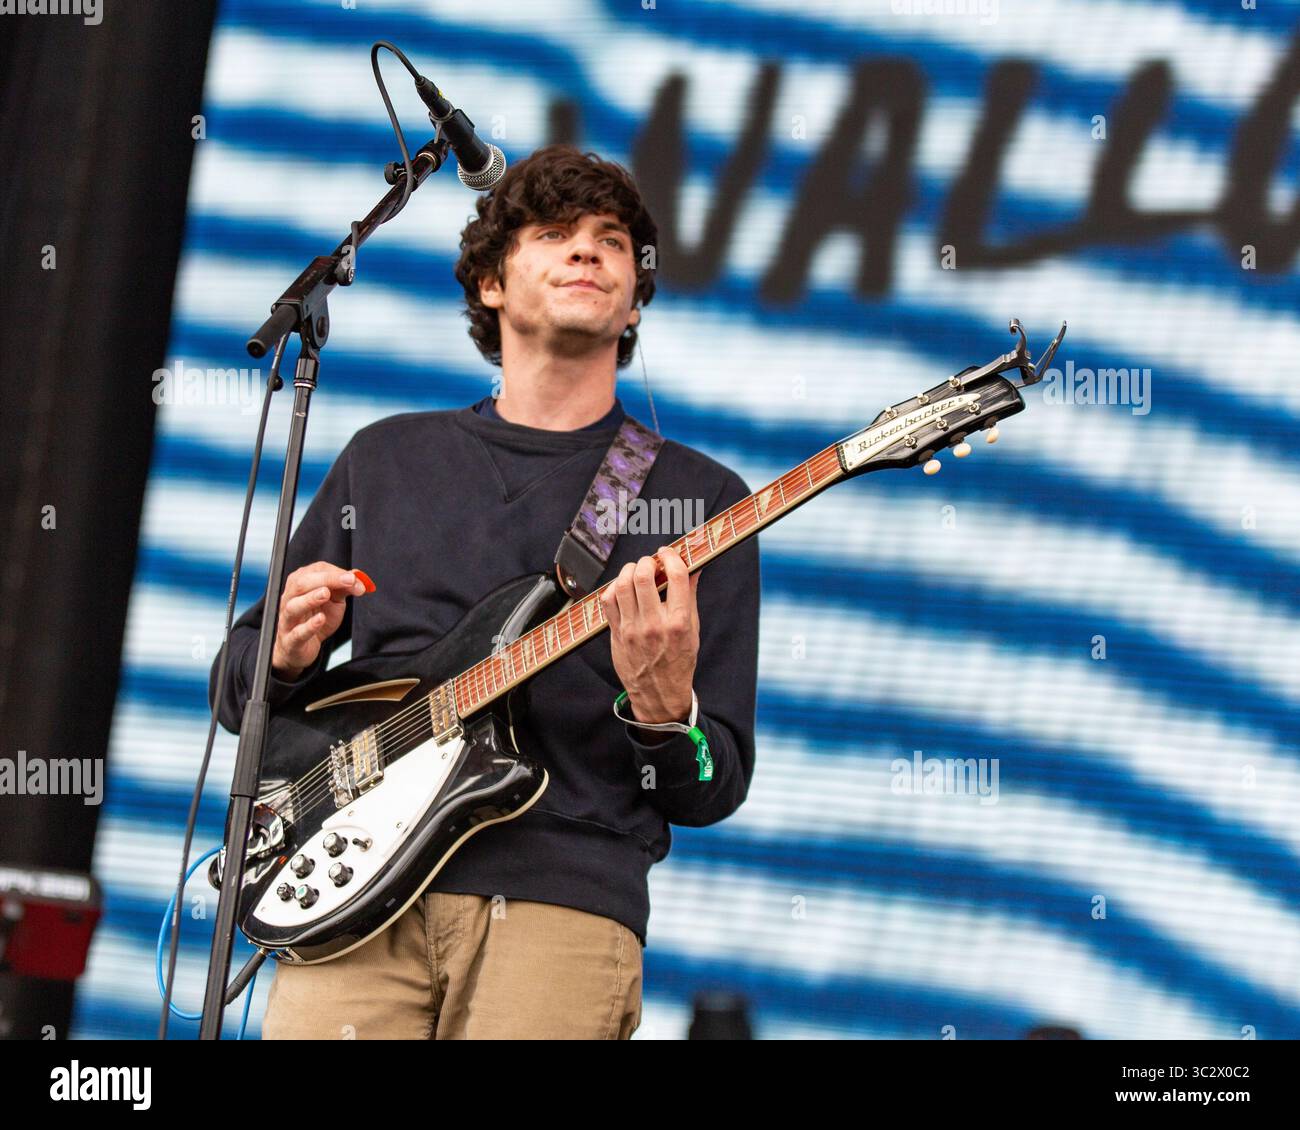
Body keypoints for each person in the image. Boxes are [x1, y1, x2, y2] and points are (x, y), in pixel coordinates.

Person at [209, 144, 761, 1039]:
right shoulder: (386, 461)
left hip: (561, 907)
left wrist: (666, 715)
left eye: (612, 241)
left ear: (635, 294)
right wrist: (281, 652)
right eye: (555, 234)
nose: (589, 253)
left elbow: (709, 785)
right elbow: (238, 698)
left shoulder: (703, 504)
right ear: (491, 285)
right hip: (353, 900)